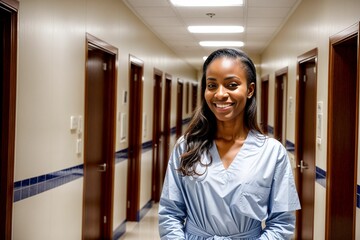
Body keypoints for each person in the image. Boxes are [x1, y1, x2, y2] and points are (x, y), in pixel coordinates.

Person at [158, 48, 300, 239]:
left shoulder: (272, 153)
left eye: (232, 85)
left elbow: (282, 222)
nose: (220, 94)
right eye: (212, 85)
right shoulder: (186, 147)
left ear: (250, 90)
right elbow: (170, 213)